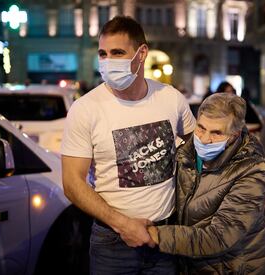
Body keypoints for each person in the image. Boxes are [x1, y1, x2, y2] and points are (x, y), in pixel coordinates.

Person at [60, 16, 196, 274]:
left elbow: (197, 149)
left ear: (141, 53)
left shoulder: (170, 98)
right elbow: (72, 183)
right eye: (103, 53)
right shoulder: (85, 109)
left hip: (165, 238)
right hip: (113, 243)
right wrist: (123, 224)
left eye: (118, 52)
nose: (108, 61)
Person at [147, 93, 265, 274]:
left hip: (236, 268)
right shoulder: (184, 156)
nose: (204, 139)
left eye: (217, 133)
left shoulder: (251, 169)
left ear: (234, 135)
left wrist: (155, 235)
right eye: (200, 128)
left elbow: (220, 237)